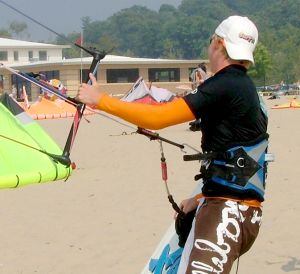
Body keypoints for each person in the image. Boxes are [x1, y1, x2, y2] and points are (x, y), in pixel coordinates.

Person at [77, 15, 269, 274]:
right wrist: (199, 198)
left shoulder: (226, 85)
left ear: (219, 43)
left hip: (225, 217)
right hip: (241, 215)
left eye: (211, 41)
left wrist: (100, 100)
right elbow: (246, 163)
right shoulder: (244, 88)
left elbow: (158, 118)